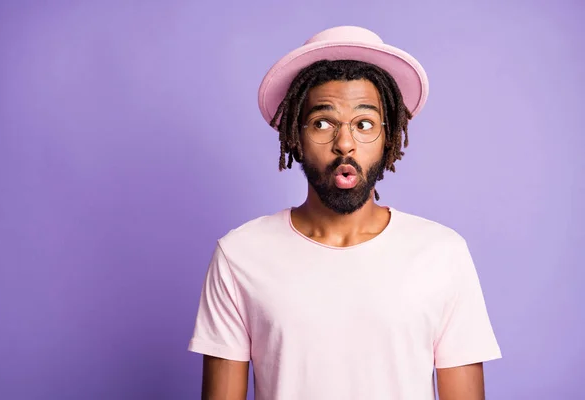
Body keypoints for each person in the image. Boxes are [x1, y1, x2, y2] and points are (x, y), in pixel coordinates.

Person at [188, 26, 502, 400]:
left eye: (364, 124)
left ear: (389, 138)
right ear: (294, 137)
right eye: (323, 123)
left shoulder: (441, 253)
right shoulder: (240, 254)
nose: (345, 143)